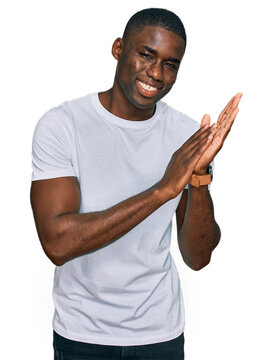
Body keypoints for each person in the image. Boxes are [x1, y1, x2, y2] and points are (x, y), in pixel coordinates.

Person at [30, 7, 242, 360]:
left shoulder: (187, 136)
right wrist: (163, 190)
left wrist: (199, 179)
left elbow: (197, 257)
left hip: (161, 334)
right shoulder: (62, 126)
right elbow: (57, 242)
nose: (157, 74)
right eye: (146, 55)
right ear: (118, 49)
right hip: (83, 335)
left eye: (171, 64)